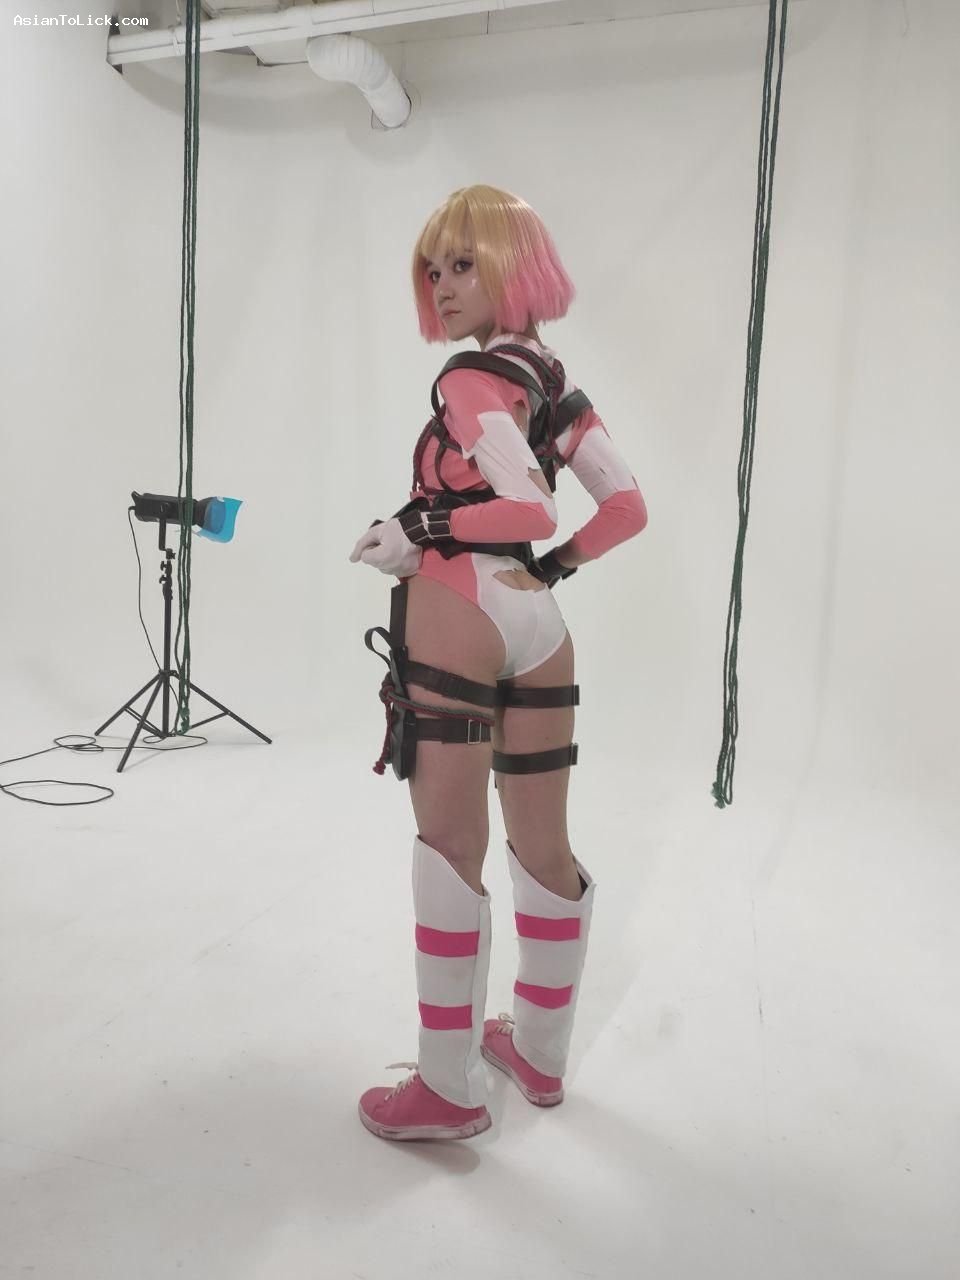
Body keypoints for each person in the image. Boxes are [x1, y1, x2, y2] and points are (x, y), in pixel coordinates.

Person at [348, 185, 648, 1141]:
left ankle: (446, 1089)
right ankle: (539, 1057)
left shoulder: (468, 380)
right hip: (537, 620)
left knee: (450, 846)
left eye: (464, 265)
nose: (441, 286)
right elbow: (626, 509)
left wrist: (417, 526)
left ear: (513, 267)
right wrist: (550, 572)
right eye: (432, 269)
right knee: (542, 843)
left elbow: (529, 509)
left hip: (459, 606)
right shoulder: (556, 384)